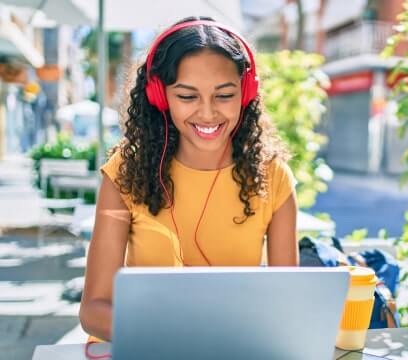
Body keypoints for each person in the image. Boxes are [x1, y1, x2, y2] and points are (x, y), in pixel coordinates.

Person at [79, 17, 298, 343]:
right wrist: (182, 337)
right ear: (159, 96)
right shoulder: (126, 171)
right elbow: (94, 310)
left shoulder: (273, 176)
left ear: (246, 92)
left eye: (224, 95)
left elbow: (288, 303)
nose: (208, 113)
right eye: (187, 96)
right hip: (145, 345)